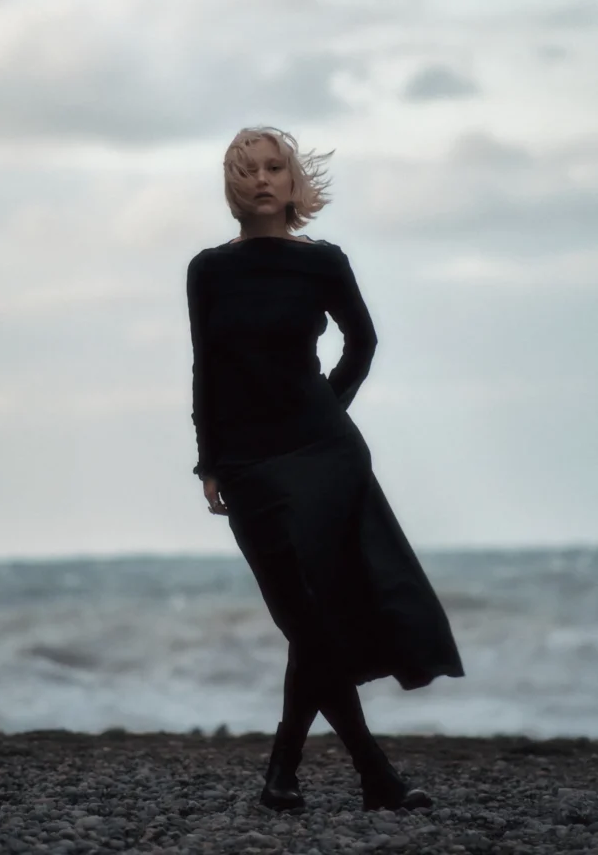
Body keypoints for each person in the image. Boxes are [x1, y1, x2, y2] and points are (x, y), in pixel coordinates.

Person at [186, 126, 464, 813]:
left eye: (274, 167)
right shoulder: (208, 269)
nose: (261, 179)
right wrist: (208, 462)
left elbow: (362, 342)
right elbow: (206, 368)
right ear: (232, 185)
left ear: (291, 182)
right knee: (302, 622)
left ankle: (291, 774)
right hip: (247, 465)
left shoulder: (321, 262)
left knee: (315, 617)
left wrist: (325, 410)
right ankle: (370, 777)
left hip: (323, 458)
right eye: (246, 170)